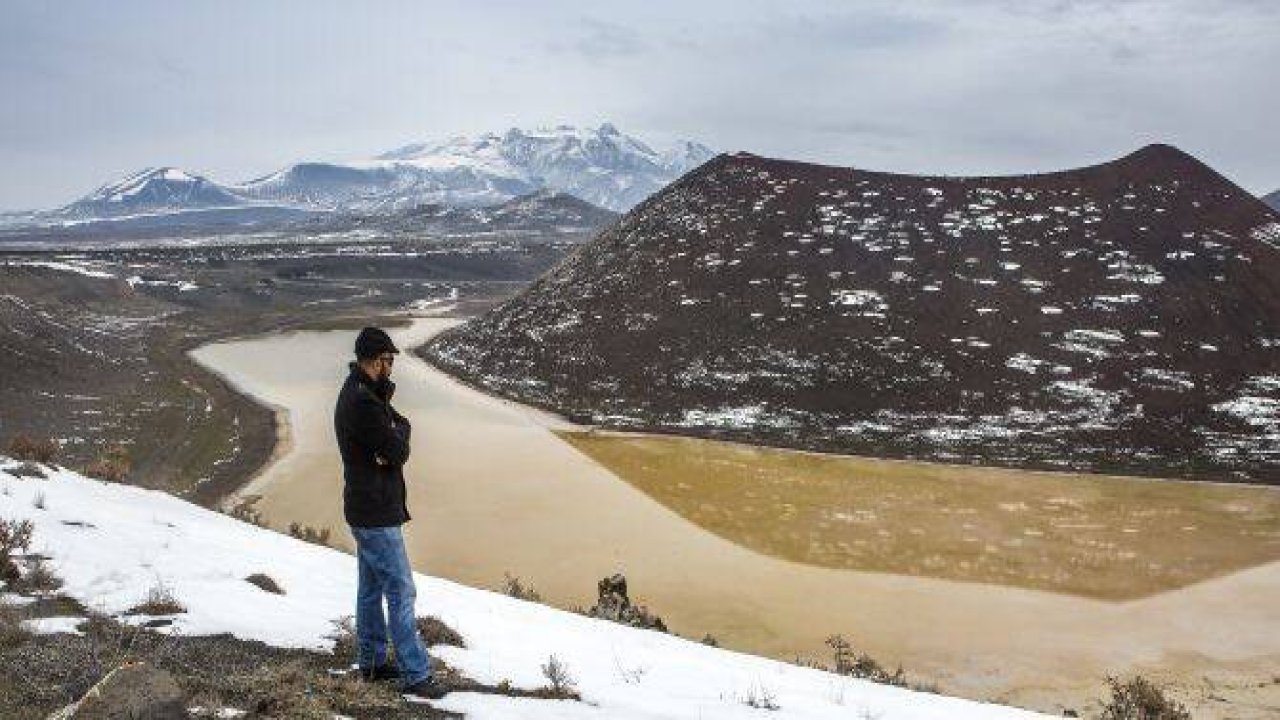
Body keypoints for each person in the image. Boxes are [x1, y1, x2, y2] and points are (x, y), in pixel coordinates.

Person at [333, 326, 447, 700]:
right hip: (376, 512)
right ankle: (416, 674)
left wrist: (395, 437)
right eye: (388, 360)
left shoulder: (362, 392)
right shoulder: (364, 403)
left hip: (365, 508)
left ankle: (372, 663)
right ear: (375, 360)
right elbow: (398, 450)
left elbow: (402, 427)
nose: (392, 367)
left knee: (370, 590)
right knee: (401, 590)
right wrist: (394, 443)